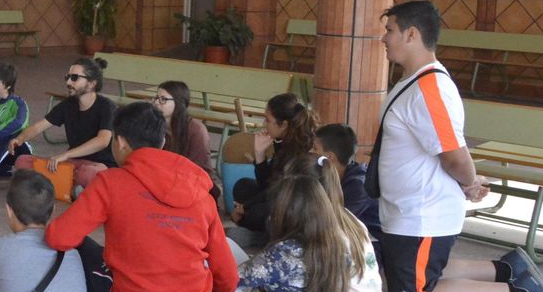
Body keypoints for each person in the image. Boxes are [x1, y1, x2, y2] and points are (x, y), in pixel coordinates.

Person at [375, 0, 543, 292]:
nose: (384, 38)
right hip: (408, 210)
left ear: (411, 35)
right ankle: (506, 269)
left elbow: (454, 154)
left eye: (389, 31)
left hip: (422, 214)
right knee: (426, 270)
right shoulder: (412, 82)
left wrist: (469, 182)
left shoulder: (429, 88)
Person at [46, 101, 238, 292]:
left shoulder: (110, 182)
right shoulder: (200, 190)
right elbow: (228, 274)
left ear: (121, 142)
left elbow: (58, 237)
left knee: (81, 249)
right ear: (162, 141)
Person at [214, 173, 384, 292]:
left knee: (215, 269)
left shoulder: (284, 253)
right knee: (225, 246)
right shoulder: (335, 246)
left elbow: (229, 278)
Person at [8, 57, 116, 195]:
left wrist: (65, 155)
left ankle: (62, 184)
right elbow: (38, 126)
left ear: (91, 83)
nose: (68, 82)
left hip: (99, 166)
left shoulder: (107, 107)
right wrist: (20, 138)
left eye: (74, 78)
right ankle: (73, 188)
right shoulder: (68, 105)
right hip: (74, 163)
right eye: (68, 77)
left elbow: (102, 141)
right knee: (22, 161)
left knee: (89, 174)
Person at [229, 92, 320, 244]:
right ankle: (253, 227)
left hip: (295, 207)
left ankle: (264, 237)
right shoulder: (283, 140)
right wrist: (260, 155)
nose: (264, 124)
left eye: (267, 120)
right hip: (277, 195)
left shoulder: (300, 151)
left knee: (258, 213)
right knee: (243, 186)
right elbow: (267, 183)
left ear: (284, 124)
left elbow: (275, 191)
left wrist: (245, 207)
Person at [316, 123, 381, 240]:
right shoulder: (330, 177)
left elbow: (333, 224)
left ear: (330, 156)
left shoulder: (359, 186)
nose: (310, 152)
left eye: (315, 149)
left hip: (370, 246)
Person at [154, 80, 214, 181]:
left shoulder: (196, 130)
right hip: (164, 179)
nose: (156, 103)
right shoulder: (154, 125)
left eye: (163, 99)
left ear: (178, 102)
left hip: (192, 183)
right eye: (156, 98)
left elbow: (197, 170)